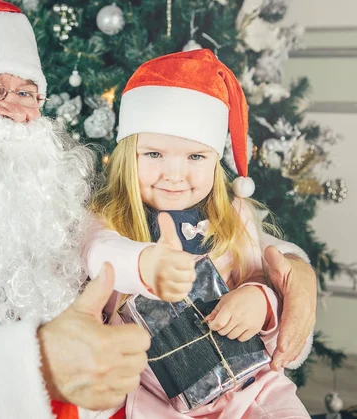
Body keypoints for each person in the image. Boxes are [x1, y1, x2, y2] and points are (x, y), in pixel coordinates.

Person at [0, 2, 315, 419]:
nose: (13, 107)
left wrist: (293, 278)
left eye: (27, 91)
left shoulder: (51, 199)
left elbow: (233, 245)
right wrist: (35, 367)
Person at [84, 50, 311, 417]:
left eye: (195, 157)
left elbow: (261, 281)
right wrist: (143, 264)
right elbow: (99, 253)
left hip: (255, 390)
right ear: (129, 156)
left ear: (215, 161)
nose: (175, 174)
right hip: (160, 401)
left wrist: (261, 302)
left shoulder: (233, 217)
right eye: (154, 154)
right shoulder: (109, 220)